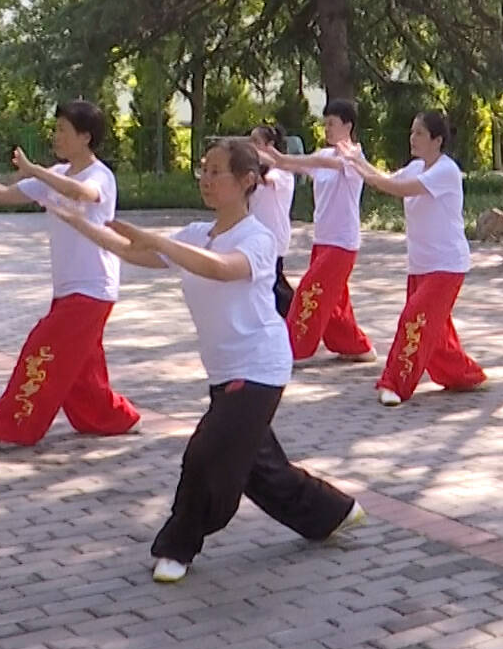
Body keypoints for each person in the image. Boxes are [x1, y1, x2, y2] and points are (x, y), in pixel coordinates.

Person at [50, 139, 364, 584]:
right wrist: (82, 225)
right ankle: (335, 513)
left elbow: (220, 268)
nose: (206, 179)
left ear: (247, 180)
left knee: (206, 453)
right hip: (223, 368)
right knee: (262, 470)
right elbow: (135, 252)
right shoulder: (197, 233)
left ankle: (178, 546)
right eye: (203, 169)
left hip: (260, 366)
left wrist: (160, 240)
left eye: (216, 171)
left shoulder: (258, 237)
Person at [0, 100, 142, 452]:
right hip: (68, 287)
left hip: (93, 287)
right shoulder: (54, 175)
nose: (56, 136)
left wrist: (35, 170)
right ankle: (116, 417)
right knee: (80, 371)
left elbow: (83, 193)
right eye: (56, 128)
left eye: (63, 130)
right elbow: (2, 195)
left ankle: (3, 427)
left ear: (85, 137)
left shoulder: (98, 175)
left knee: (40, 350)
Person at [338, 110, 485, 406]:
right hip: (421, 265)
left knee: (414, 320)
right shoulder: (416, 166)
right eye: (412, 132)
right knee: (437, 334)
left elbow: (396, 188)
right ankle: (464, 375)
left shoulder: (446, 171)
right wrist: (357, 160)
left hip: (447, 265)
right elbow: (386, 178)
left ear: (437, 140)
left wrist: (357, 164)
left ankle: (394, 383)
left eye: (419, 133)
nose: (412, 138)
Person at [259, 99, 375, 364]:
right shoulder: (324, 155)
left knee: (310, 291)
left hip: (342, 243)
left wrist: (285, 159)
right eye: (325, 124)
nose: (327, 129)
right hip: (322, 239)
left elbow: (330, 164)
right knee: (334, 302)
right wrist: (276, 159)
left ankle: (291, 349)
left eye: (332, 124)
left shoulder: (355, 156)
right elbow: (298, 164)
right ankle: (356, 346)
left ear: (348, 125)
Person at [248, 124, 298, 317]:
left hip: (274, 236)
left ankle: (295, 315)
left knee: (274, 282)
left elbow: (267, 179)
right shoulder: (256, 173)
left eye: (256, 142)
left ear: (270, 145)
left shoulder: (282, 173)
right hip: (256, 237)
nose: (252, 146)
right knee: (263, 281)